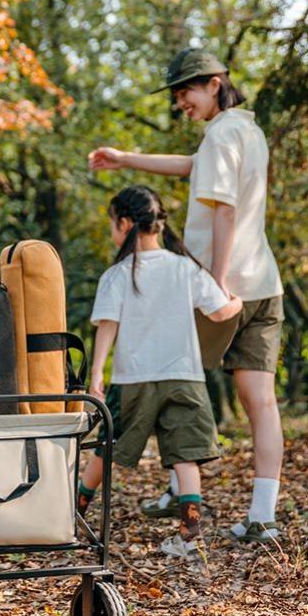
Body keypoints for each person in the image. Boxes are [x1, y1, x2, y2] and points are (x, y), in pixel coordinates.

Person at [89, 48, 284, 543]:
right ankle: (262, 514)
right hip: (264, 284)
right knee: (260, 402)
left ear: (214, 83)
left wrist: (216, 280)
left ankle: (181, 489)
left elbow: (223, 211)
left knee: (172, 378)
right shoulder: (246, 129)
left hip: (222, 290)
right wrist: (126, 158)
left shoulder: (221, 133)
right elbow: (192, 166)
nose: (181, 103)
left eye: (185, 93)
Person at [78, 186, 242, 557]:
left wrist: (97, 376)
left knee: (107, 447)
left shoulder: (118, 274)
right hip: (184, 377)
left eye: (112, 223)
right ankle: (189, 535)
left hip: (133, 378)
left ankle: (75, 512)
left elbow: (107, 326)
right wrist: (238, 302)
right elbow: (219, 312)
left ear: (123, 223)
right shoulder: (186, 268)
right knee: (185, 454)